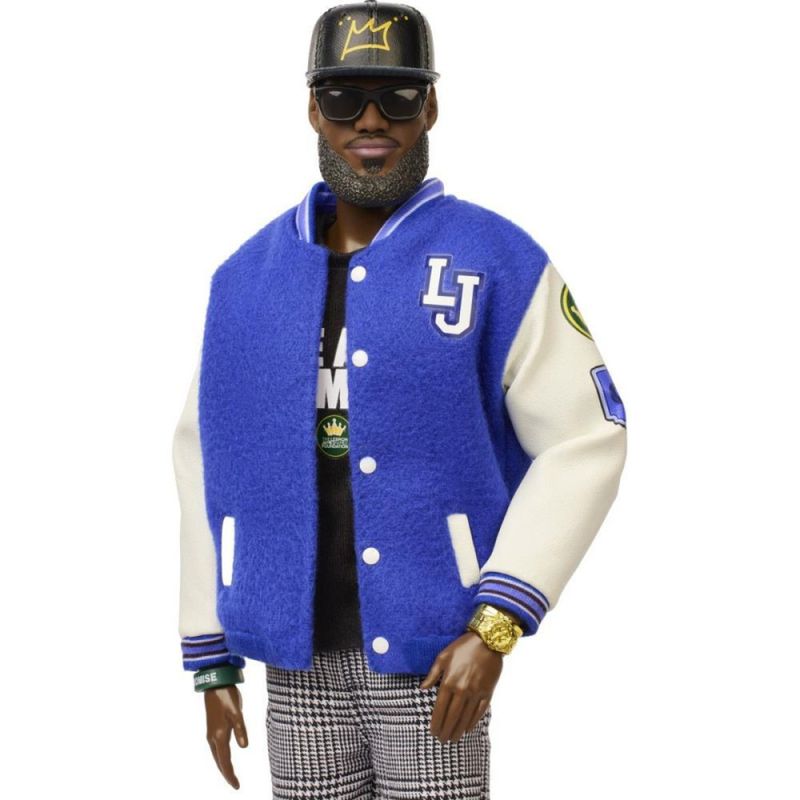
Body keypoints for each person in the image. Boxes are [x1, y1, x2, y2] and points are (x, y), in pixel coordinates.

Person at [172, 1, 627, 797]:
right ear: (313, 109)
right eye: (345, 97)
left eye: (399, 96)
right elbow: (202, 458)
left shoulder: (493, 259)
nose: (371, 120)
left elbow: (585, 436)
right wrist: (210, 652)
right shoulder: (245, 279)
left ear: (432, 107)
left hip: (437, 655)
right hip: (293, 656)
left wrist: (498, 619)